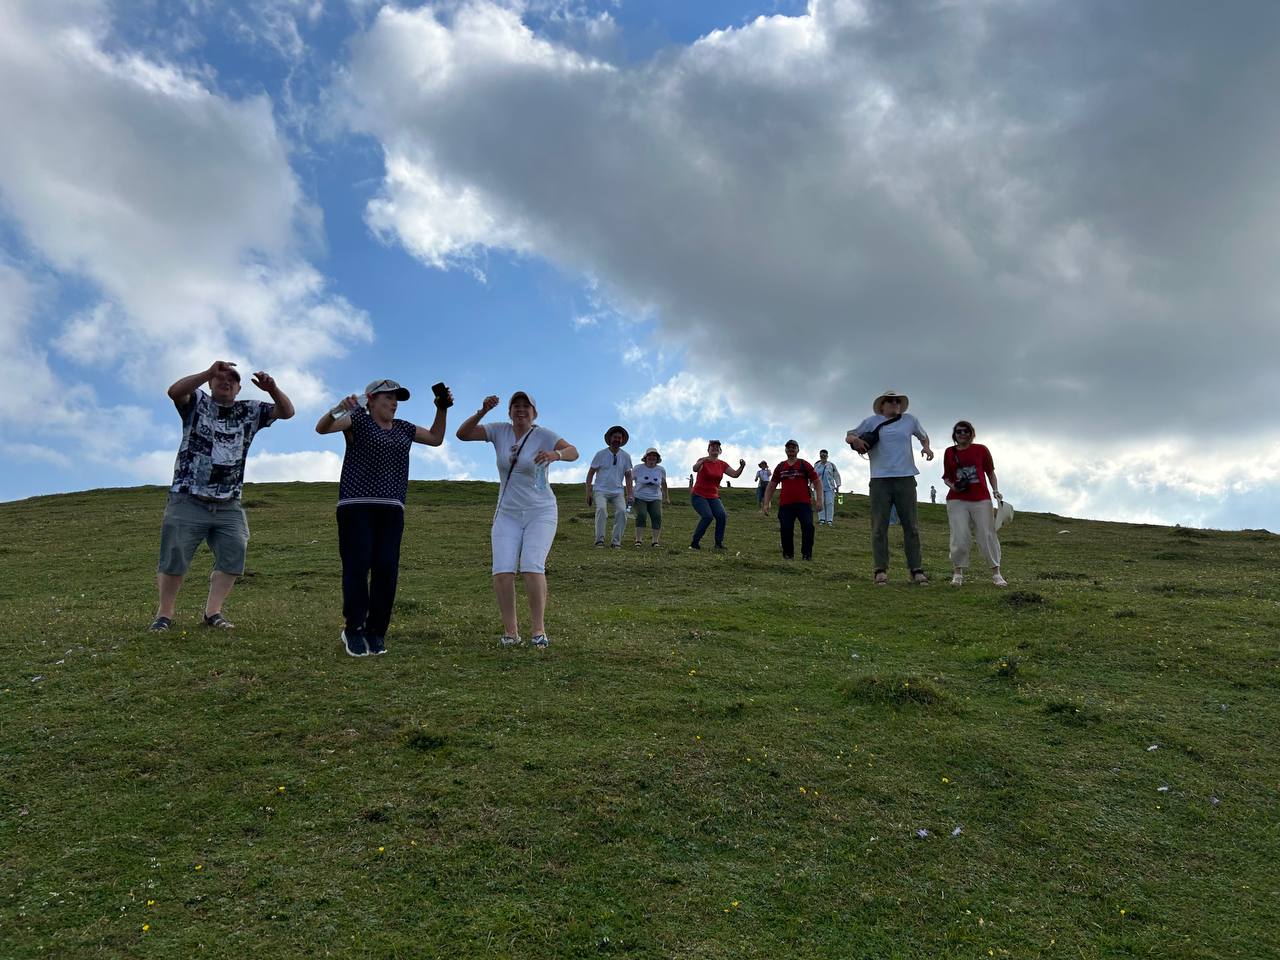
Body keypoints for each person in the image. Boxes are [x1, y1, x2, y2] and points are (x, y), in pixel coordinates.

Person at [149, 360, 294, 631]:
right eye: (219, 377)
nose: (225, 381)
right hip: (187, 497)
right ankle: (164, 615)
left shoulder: (250, 410)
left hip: (229, 502)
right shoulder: (197, 402)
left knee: (234, 551)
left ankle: (213, 613)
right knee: (174, 555)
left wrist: (272, 389)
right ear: (210, 383)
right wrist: (208, 370)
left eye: (232, 379)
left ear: (239, 388)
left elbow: (287, 412)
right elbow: (174, 391)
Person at [315, 378, 452, 657]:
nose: (394, 403)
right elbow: (322, 428)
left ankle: (376, 631)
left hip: (391, 509)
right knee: (357, 567)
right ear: (371, 400)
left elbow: (436, 438)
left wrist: (442, 408)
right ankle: (354, 628)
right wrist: (339, 408)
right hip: (356, 506)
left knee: (386, 570)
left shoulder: (404, 428)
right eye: (388, 397)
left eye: (396, 399)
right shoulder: (356, 420)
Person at [456, 391, 578, 648]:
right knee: (502, 571)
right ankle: (511, 633)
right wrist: (482, 411)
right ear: (509, 411)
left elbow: (573, 451)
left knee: (532, 567)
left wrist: (555, 455)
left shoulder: (544, 435)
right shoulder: (498, 431)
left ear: (534, 413)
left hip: (540, 511)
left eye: (526, 406)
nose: (521, 410)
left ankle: (538, 631)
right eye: (516, 406)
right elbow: (462, 434)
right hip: (507, 513)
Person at [846, 389, 934, 585]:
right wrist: (856, 440)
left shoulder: (910, 420)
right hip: (880, 479)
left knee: (911, 526)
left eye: (897, 401)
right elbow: (849, 435)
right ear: (882, 405)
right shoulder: (871, 421)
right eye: (890, 401)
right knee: (879, 526)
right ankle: (880, 570)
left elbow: (923, 436)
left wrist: (926, 447)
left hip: (906, 477)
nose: (895, 404)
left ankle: (916, 569)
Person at [943, 420, 1007, 587]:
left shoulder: (981, 449)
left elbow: (990, 472)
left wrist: (995, 490)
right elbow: (946, 477)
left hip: (981, 498)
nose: (962, 434)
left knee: (987, 534)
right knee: (959, 535)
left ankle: (996, 573)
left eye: (966, 431)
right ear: (954, 435)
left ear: (971, 433)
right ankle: (957, 573)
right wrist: (953, 486)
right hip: (956, 499)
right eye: (958, 431)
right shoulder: (949, 452)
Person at [760, 440, 823, 560]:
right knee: (786, 529)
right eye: (788, 447)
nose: (791, 449)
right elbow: (772, 485)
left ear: (798, 450)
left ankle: (807, 555)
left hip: (804, 504)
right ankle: (788, 556)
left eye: (793, 447)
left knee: (808, 527)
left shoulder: (804, 464)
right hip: (785, 505)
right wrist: (766, 503)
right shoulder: (780, 466)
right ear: (785, 450)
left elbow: (817, 482)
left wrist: (819, 500)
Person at [689, 441, 745, 550]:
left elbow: (734, 474)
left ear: (720, 451)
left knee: (722, 515)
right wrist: (702, 461)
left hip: (713, 496)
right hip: (699, 495)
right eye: (712, 447)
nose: (715, 448)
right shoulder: (703, 461)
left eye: (717, 447)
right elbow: (695, 469)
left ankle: (718, 544)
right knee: (707, 516)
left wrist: (742, 467)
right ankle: (695, 542)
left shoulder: (722, 464)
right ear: (708, 450)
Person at [586, 426, 633, 548]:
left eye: (619, 438)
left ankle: (616, 542)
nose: (617, 440)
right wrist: (588, 492)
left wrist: (630, 494)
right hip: (600, 490)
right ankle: (599, 540)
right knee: (601, 510)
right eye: (615, 437)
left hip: (618, 491)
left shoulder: (626, 456)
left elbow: (628, 476)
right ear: (610, 438)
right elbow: (590, 473)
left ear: (622, 440)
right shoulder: (600, 454)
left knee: (622, 511)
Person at [631, 447, 669, 546]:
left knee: (657, 516)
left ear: (657, 458)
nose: (652, 458)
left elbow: (663, 483)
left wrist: (666, 497)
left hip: (655, 497)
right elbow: (629, 480)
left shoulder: (661, 470)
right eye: (650, 455)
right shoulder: (638, 468)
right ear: (645, 457)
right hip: (639, 496)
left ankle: (655, 541)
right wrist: (630, 494)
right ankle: (638, 540)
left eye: (654, 456)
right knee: (641, 515)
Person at [813, 450, 841, 525]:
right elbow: (812, 475)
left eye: (825, 455)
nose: (823, 456)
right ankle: (821, 519)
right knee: (820, 502)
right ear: (820, 456)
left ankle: (829, 520)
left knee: (829, 503)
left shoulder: (831, 465)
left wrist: (838, 484)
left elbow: (836, 474)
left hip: (829, 487)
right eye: (822, 455)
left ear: (827, 456)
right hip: (818, 487)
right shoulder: (816, 465)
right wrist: (810, 484)